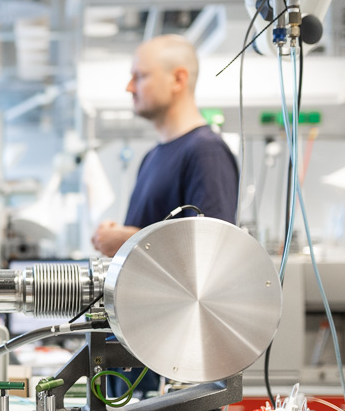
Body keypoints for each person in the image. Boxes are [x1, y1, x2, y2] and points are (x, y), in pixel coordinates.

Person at [91, 35, 239, 257]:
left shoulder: (206, 152)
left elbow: (212, 253)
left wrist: (129, 240)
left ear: (178, 79)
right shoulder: (152, 156)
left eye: (140, 76)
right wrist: (120, 235)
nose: (129, 87)